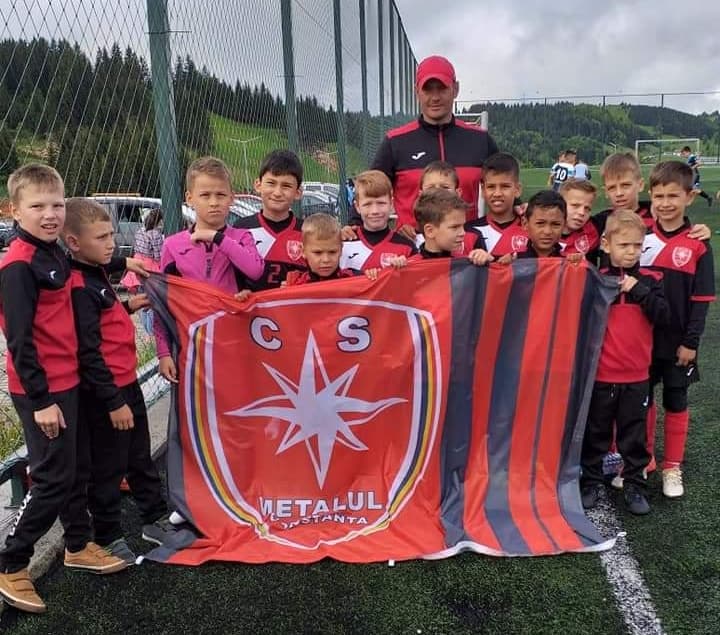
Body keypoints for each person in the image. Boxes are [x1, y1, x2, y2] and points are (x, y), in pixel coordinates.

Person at [0, 165, 127, 614]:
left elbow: (87, 265)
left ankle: (77, 545)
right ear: (14, 211)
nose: (50, 214)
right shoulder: (18, 266)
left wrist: (128, 264)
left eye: (56, 204)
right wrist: (41, 402)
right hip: (43, 393)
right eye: (37, 206)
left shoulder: (52, 251)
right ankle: (11, 563)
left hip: (70, 383)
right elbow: (19, 341)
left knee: (77, 470)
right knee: (52, 479)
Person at [63, 198, 169, 564]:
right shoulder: (79, 286)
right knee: (108, 466)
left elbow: (103, 313)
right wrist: (113, 401)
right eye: (102, 237)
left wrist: (127, 302)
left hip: (126, 382)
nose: (111, 244)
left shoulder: (94, 272)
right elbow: (88, 352)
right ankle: (107, 534)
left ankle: (154, 517)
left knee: (140, 455)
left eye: (111, 235)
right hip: (106, 393)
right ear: (74, 242)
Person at [347, 55, 498, 240]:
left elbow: (504, 183)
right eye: (427, 89)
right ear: (416, 91)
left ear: (456, 89)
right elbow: (371, 189)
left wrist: (517, 206)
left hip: (465, 247)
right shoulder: (395, 141)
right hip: (411, 249)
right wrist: (353, 224)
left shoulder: (479, 139)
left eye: (442, 88)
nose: (435, 97)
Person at [580, 211, 669, 515]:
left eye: (637, 245)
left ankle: (634, 485)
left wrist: (638, 290)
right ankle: (591, 482)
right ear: (606, 244)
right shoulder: (595, 280)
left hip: (637, 376)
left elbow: (664, 316)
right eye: (624, 245)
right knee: (596, 433)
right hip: (601, 376)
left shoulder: (651, 280)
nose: (631, 251)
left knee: (634, 437)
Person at [640, 160, 715, 498]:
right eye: (659, 196)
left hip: (677, 342)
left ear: (689, 196)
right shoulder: (639, 236)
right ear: (650, 196)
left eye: (673, 195)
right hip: (641, 340)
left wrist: (691, 342)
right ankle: (644, 458)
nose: (666, 203)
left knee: (675, 398)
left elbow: (701, 299)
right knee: (640, 400)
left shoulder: (699, 244)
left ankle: (672, 467)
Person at [156, 156, 264, 383]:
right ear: (190, 198)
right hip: (192, 345)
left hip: (235, 341)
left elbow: (255, 270)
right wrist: (164, 352)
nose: (214, 202)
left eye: (221, 195)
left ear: (232, 198)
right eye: (205, 195)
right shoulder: (173, 245)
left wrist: (217, 238)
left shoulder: (241, 237)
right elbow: (162, 301)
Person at [234, 149, 306, 290]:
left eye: (286, 186)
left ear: (298, 193)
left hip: (291, 305)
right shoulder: (241, 229)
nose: (277, 192)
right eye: (271, 183)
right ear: (258, 185)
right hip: (251, 305)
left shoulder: (307, 232)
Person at [339, 170, 416, 272]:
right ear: (357, 207)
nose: (375, 211)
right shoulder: (342, 244)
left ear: (391, 204)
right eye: (367, 204)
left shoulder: (407, 247)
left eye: (381, 203)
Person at [464, 153, 528, 258]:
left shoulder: (530, 228)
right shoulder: (468, 230)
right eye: (491, 187)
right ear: (483, 190)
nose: (497, 193)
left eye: (505, 186)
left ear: (517, 189)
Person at [411, 189, 491, 266]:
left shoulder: (470, 264)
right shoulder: (409, 267)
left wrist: (489, 261)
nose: (463, 233)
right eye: (455, 227)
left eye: (463, 226)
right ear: (430, 231)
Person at [285, 213, 370, 285]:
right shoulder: (294, 284)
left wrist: (372, 276)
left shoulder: (355, 279)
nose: (326, 260)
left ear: (341, 250)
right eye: (318, 253)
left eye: (332, 252)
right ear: (303, 251)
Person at [121, 208, 164, 335]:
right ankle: (152, 331)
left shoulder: (140, 231)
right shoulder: (155, 234)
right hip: (151, 267)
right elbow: (157, 255)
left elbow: (136, 247)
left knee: (141, 299)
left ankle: (146, 330)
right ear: (159, 221)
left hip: (137, 264)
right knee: (152, 301)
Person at [515, 190, 566, 258]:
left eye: (556, 224)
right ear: (525, 223)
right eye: (540, 223)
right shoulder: (514, 260)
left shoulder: (570, 261)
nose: (547, 231)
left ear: (564, 225)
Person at [559, 179, 600, 261]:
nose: (582, 212)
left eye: (587, 208)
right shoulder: (542, 231)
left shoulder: (595, 227)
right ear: (560, 204)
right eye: (575, 205)